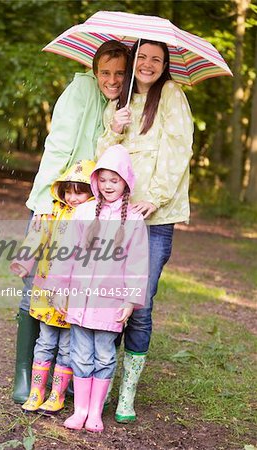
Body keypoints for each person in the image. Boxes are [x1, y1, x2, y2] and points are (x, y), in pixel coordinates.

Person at [12, 40, 129, 404]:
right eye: (105, 72)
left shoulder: (131, 100)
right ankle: (25, 373)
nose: (112, 80)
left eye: (119, 73)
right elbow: (59, 147)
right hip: (61, 199)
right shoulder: (80, 92)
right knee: (39, 284)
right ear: (95, 72)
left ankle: (82, 378)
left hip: (99, 208)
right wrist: (48, 199)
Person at [96, 39, 194, 423]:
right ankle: (101, 381)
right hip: (117, 217)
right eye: (143, 57)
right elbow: (103, 158)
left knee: (138, 303)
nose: (149, 64)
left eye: (157, 58)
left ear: (165, 63)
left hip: (153, 218)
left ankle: (127, 392)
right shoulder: (118, 101)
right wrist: (112, 129)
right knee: (108, 298)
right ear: (133, 60)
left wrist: (155, 196)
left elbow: (179, 148)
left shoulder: (171, 95)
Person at [43, 145, 148, 432]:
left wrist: (130, 300)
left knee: (103, 355)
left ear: (126, 181)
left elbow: (138, 265)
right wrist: (59, 289)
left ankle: (95, 413)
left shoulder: (134, 220)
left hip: (109, 304)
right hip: (78, 300)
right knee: (79, 355)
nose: (108, 186)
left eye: (114, 180)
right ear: (95, 181)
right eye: (102, 180)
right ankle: (80, 411)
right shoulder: (85, 211)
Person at [10, 160, 95, 414]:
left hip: (74, 294)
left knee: (68, 346)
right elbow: (38, 234)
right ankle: (37, 391)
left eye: (79, 191)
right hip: (48, 290)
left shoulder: (93, 217)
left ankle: (57, 395)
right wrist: (25, 261)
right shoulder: (54, 212)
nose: (73, 197)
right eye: (68, 191)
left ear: (92, 192)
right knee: (45, 341)